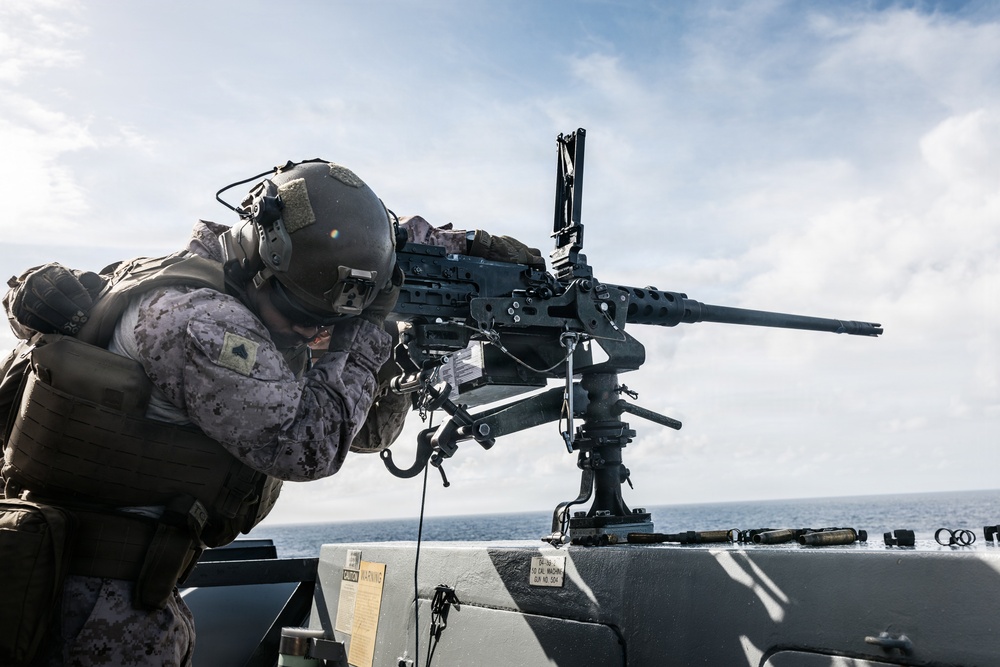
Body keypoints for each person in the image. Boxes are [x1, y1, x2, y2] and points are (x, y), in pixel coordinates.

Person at [0, 158, 544, 667]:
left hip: (109, 587)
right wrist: (371, 331)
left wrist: (464, 249)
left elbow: (364, 428)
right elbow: (311, 446)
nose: (315, 334)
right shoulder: (201, 321)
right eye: (306, 316)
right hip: (93, 608)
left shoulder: (233, 278)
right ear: (263, 262)